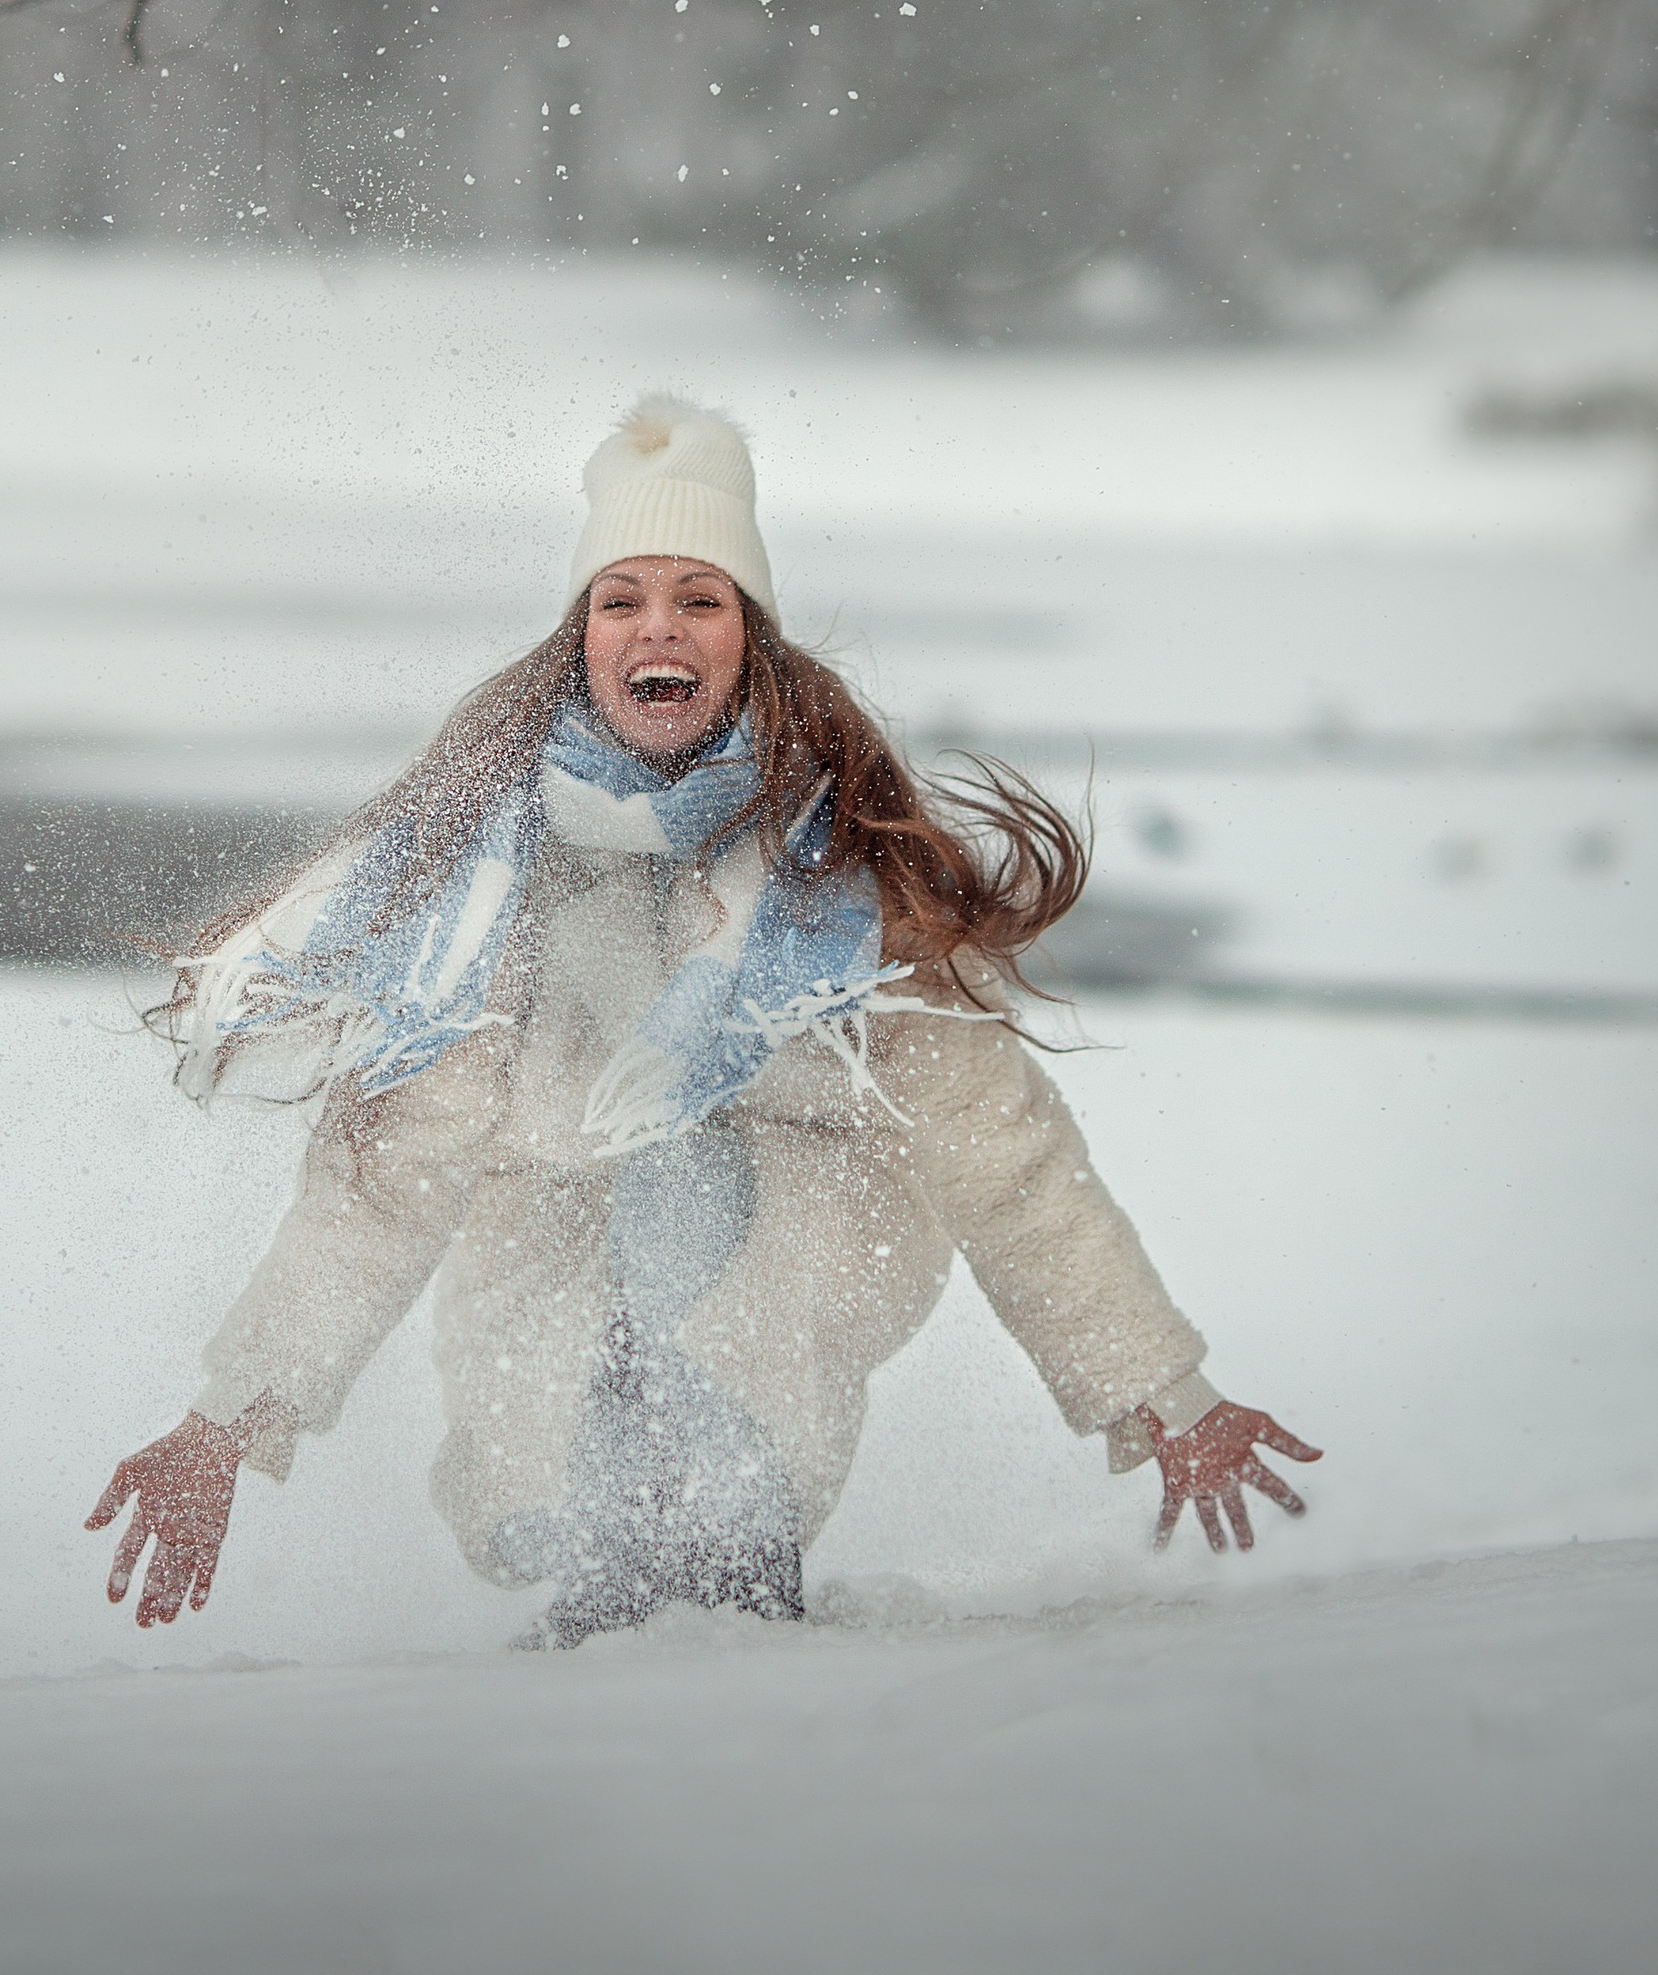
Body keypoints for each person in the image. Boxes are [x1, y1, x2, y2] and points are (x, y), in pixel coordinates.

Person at [89, 398, 1318, 1639]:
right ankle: (599, 1599)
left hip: (816, 1206)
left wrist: (1163, 1394)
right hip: (557, 1210)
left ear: (747, 638)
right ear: (581, 639)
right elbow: (389, 1179)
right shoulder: (490, 867)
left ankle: (734, 1571)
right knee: (543, 1461)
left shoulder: (842, 877)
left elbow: (1006, 1166)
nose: (657, 626)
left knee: (714, 1289)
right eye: (620, 598)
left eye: (699, 597)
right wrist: (228, 1423)